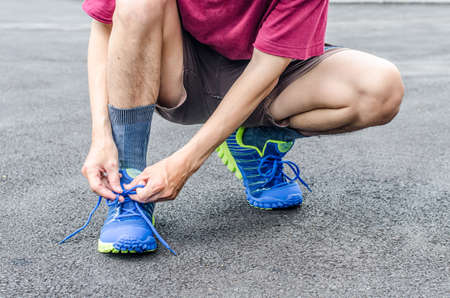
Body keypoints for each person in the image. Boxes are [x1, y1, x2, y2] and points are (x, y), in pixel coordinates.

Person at [61, 0, 404, 254]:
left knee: (380, 88)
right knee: (136, 4)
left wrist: (187, 162)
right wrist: (101, 136)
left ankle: (254, 141)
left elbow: (265, 70)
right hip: (178, 73)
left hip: (266, 77)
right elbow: (106, 28)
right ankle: (129, 184)